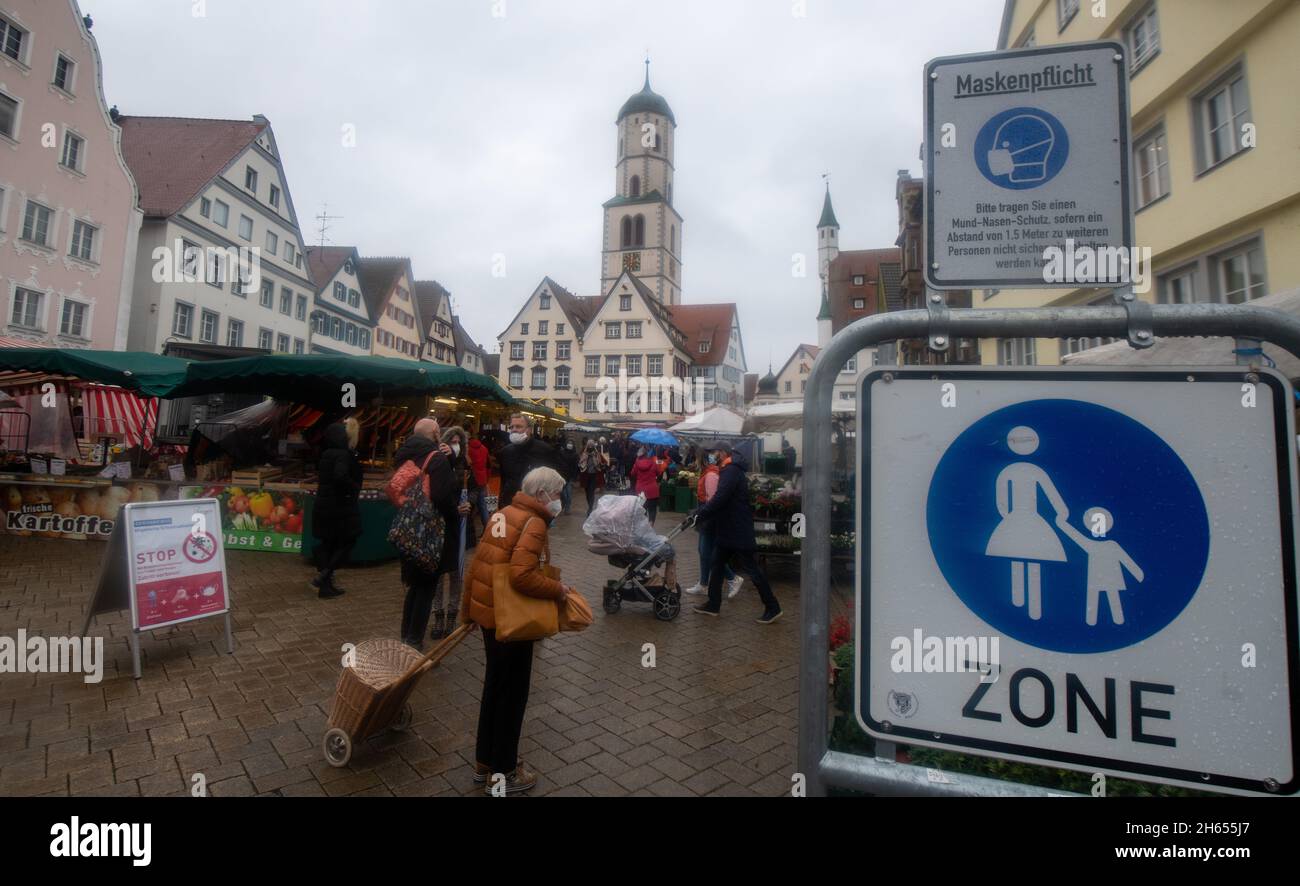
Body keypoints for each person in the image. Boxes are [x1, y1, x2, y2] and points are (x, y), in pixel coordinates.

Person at [461, 467, 575, 794]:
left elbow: (477, 566)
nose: (558, 500)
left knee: (494, 689)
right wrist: (557, 589)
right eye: (556, 494)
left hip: (489, 616)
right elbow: (521, 576)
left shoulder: (503, 513)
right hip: (512, 621)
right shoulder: (534, 522)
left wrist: (469, 614)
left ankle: (485, 763)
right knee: (513, 696)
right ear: (541, 495)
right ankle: (505, 772)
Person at [393, 418, 470, 649]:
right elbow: (442, 496)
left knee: (414, 585)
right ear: (436, 434)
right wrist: (455, 514)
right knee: (426, 587)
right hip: (430, 532)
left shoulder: (403, 454)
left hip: (409, 527)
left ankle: (406, 636)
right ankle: (414, 642)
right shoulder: (435, 459)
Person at [691, 447, 782, 624]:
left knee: (752, 569)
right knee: (716, 564)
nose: (713, 456)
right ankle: (713, 603)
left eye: (715, 452)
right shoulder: (728, 469)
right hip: (729, 529)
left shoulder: (731, 471)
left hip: (737, 529)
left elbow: (720, 497)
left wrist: (701, 513)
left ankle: (773, 607)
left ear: (723, 453)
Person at [428, 425, 480, 639]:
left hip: (460, 526)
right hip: (440, 524)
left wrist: (470, 503)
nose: (455, 446)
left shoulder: (465, 466)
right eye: (452, 441)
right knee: (439, 573)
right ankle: (438, 614)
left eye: (459, 442)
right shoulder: (436, 463)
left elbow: (476, 489)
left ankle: (452, 614)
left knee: (456, 572)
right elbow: (431, 493)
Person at [310, 418, 361, 599]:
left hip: (323, 505)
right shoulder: (342, 455)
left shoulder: (326, 453)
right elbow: (340, 476)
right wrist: (354, 487)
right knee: (348, 540)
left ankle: (326, 586)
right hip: (338, 506)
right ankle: (325, 575)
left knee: (329, 544)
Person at [684, 447, 744, 599]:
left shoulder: (710, 474)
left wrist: (703, 514)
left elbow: (712, 499)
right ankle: (703, 584)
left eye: (696, 459)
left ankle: (732, 578)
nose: (695, 462)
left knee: (708, 553)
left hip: (710, 518)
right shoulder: (709, 472)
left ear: (701, 459)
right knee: (703, 551)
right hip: (706, 516)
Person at [496, 413, 558, 511]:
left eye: (519, 426)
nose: (514, 430)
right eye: (511, 427)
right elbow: (504, 481)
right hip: (510, 505)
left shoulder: (545, 451)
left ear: (529, 429)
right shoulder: (505, 452)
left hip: (534, 508)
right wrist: (502, 504)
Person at [630, 446, 663, 525]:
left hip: (641, 491)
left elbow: (632, 474)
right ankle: (651, 526)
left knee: (642, 510)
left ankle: (644, 527)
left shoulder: (637, 463)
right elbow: (659, 473)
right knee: (652, 510)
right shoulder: (653, 462)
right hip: (652, 491)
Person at [468, 428, 491, 526]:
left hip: (472, 481)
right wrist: (487, 479)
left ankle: (469, 530)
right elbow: (488, 465)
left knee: (469, 506)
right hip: (482, 479)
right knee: (483, 506)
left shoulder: (467, 449)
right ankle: (487, 528)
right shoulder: (484, 448)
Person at [578, 439, 608, 515]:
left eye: (592, 445)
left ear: (594, 446)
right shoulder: (584, 453)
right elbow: (580, 462)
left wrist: (600, 462)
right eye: (589, 445)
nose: (590, 446)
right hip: (585, 475)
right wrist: (584, 459)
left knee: (591, 492)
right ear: (587, 445)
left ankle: (590, 508)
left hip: (594, 475)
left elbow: (602, 462)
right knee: (587, 492)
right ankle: (590, 505)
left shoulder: (597, 453)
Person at [558, 438, 579, 515]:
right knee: (563, 493)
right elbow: (559, 463)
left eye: (571, 443)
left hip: (570, 476)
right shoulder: (562, 453)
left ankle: (567, 508)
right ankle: (564, 505)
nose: (569, 444)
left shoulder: (575, 455)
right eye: (568, 443)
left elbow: (576, 466)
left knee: (569, 493)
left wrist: (575, 476)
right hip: (562, 475)